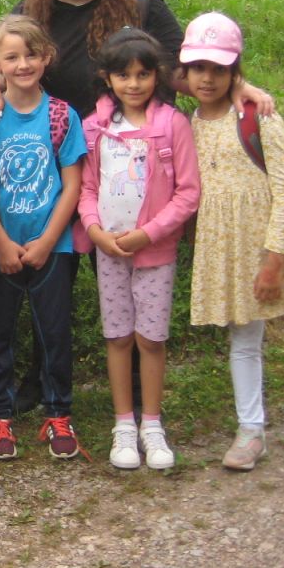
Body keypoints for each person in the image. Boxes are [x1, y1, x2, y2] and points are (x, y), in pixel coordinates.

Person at [0, 0, 272, 412]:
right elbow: (14, 58)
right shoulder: (35, 10)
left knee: (136, 272)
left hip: (138, 171)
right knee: (54, 284)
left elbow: (184, 70)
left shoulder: (141, 8)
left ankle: (138, 387)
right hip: (64, 170)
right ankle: (41, 379)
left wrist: (240, 85)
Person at [179, 13, 284, 480]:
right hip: (230, 247)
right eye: (198, 68)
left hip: (281, 242)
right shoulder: (189, 121)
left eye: (218, 68)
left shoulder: (259, 116)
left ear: (235, 70)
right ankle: (250, 431)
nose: (207, 77)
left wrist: (273, 259)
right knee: (244, 338)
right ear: (186, 72)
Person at [76, 29, 200, 470]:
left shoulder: (173, 125)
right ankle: (123, 424)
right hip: (109, 251)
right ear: (107, 78)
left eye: (143, 74)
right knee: (118, 336)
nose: (133, 84)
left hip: (156, 253)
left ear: (156, 77)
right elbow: (87, 188)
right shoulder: (94, 128)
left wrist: (150, 234)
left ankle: (152, 423)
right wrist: (95, 231)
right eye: (123, 75)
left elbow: (188, 193)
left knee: (151, 338)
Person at [0, 15, 87, 461]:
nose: (22, 64)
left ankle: (59, 412)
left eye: (31, 55)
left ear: (47, 57)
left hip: (53, 246)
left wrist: (48, 240)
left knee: (54, 333)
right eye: (11, 57)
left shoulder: (62, 115)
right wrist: (1, 242)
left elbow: (73, 184)